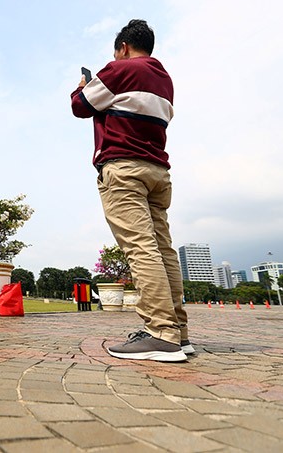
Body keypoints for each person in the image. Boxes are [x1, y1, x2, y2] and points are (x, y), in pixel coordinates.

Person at [70, 19, 189, 362]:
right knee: (163, 249)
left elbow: (80, 106)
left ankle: (160, 333)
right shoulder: (163, 78)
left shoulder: (121, 70)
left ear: (123, 47)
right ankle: (179, 333)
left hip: (124, 168)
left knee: (140, 248)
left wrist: (83, 85)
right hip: (157, 170)